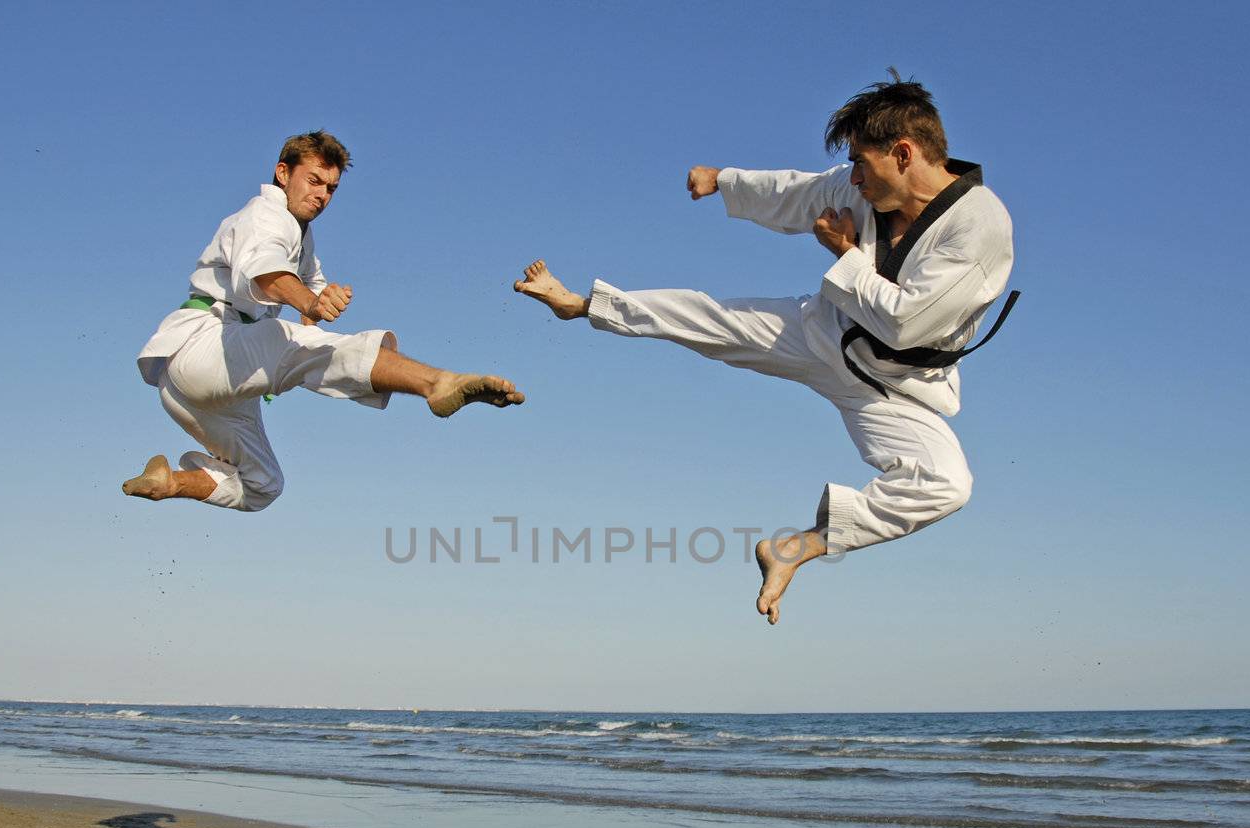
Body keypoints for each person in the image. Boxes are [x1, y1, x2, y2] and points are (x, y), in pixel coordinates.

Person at [514, 74, 1014, 624]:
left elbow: (906, 322)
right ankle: (581, 304)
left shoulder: (979, 227)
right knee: (716, 321)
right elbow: (798, 192)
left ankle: (796, 548)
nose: (852, 178)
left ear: (903, 153)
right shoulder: (861, 188)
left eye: (860, 164)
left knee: (946, 484)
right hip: (826, 329)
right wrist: (724, 181)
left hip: (897, 387)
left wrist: (844, 254)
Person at [124, 130, 524, 512]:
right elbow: (267, 274)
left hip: (197, 390)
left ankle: (169, 482)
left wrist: (315, 310)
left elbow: (308, 294)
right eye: (313, 181)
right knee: (297, 343)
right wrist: (312, 306)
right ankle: (437, 383)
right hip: (208, 343)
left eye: (330, 188)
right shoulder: (266, 214)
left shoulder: (301, 236)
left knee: (262, 484)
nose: (321, 195)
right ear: (283, 173)